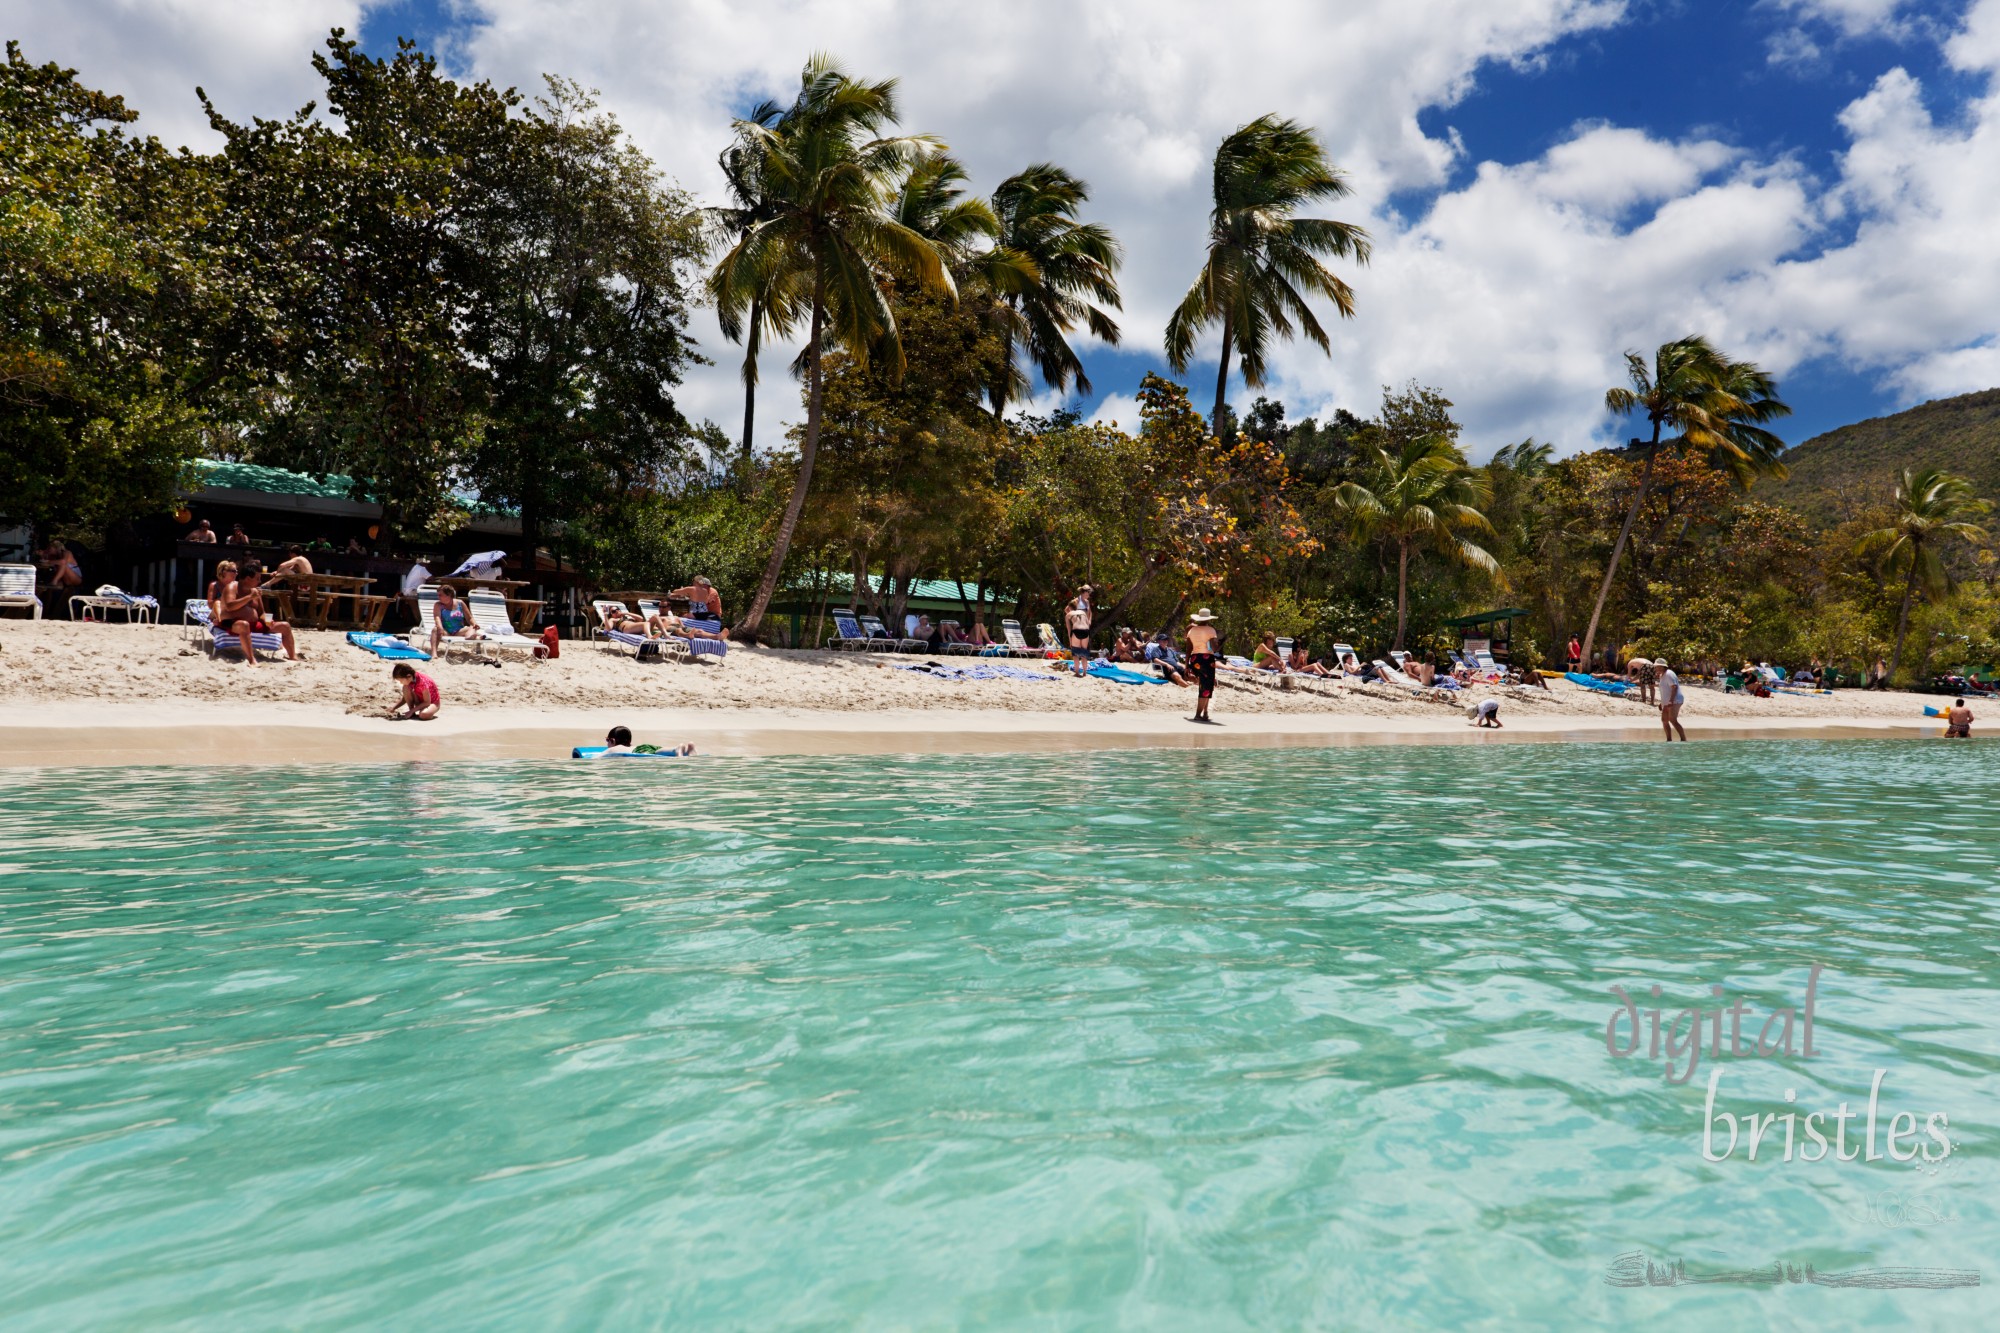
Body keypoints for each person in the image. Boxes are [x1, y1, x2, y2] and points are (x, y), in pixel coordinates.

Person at [215, 563, 298, 663]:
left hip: (253, 624)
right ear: (248, 578)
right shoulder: (232, 587)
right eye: (257, 578)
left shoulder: (255, 591)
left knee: (285, 626)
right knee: (244, 625)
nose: (260, 581)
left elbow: (261, 613)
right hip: (231, 623)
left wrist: (268, 620)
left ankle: (293, 657)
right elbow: (229, 606)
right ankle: (251, 660)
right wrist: (249, 597)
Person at [1186, 608, 1220, 722]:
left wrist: (1186, 665)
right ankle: (1198, 714)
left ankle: (1205, 713)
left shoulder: (1192, 630)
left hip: (1195, 659)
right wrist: (1219, 642)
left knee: (1204, 685)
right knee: (1206, 687)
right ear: (1209, 619)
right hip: (1206, 659)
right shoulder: (1211, 630)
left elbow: (1188, 648)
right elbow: (1214, 648)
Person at [430, 584, 484, 656]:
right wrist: (440, 627)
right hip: (446, 631)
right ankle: (434, 653)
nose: (438, 597)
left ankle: (475, 638)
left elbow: (469, 618)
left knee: (472, 627)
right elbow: (437, 617)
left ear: (448, 595)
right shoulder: (438, 605)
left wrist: (474, 624)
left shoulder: (460, 603)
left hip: (459, 631)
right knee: (435, 630)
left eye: (440, 595)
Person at [592, 724, 695, 757]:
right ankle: (686, 749)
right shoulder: (631, 746)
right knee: (658, 750)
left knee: (657, 752)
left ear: (613, 741)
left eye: (607, 740)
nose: (607, 744)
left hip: (638, 751)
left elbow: (598, 757)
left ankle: (677, 749)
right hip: (643, 747)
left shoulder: (616, 748)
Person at [1064, 585, 1093, 676]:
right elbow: (1067, 608)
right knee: (1084, 651)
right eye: (1088, 592)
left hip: (1077, 628)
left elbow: (1090, 612)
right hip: (1085, 629)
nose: (1089, 594)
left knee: (1075, 653)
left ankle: (1077, 672)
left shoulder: (1086, 602)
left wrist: (1089, 620)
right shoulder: (1077, 601)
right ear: (1084, 592)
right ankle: (1084, 672)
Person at [1658, 660, 1687, 741]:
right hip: (1667, 701)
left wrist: (1671, 701)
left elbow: (1674, 687)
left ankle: (1683, 739)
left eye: (1660, 666)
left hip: (1675, 700)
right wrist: (1662, 702)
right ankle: (1669, 740)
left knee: (1673, 720)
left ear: (1664, 666)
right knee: (1664, 720)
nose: (1658, 668)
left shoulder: (1669, 674)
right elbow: (1665, 690)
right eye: (1657, 666)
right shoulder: (1662, 675)